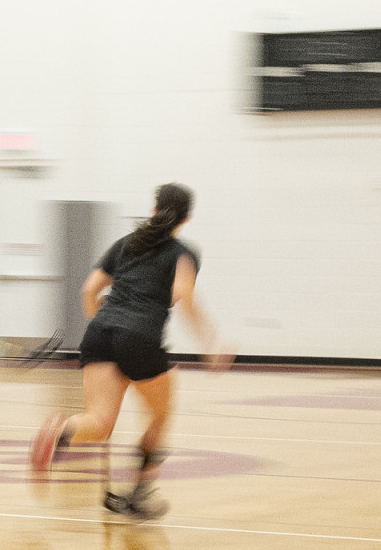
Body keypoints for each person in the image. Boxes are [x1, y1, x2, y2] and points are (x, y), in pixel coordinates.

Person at [30, 183, 232, 520]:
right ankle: (140, 493)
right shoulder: (183, 252)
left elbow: (89, 289)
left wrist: (104, 325)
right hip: (140, 336)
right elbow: (184, 294)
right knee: (160, 415)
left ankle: (62, 431)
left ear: (154, 210)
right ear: (187, 218)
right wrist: (210, 344)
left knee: (98, 423)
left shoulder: (124, 244)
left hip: (99, 333)